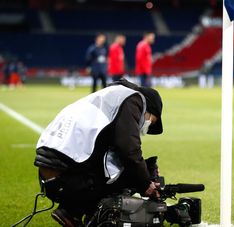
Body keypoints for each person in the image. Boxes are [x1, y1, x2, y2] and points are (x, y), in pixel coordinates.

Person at [34, 78, 163, 226]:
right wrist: (145, 182)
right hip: (68, 178)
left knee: (118, 166)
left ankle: (72, 212)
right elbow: (128, 151)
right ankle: (81, 213)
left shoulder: (110, 96)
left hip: (49, 177)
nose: (146, 127)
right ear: (148, 108)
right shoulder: (134, 100)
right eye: (151, 122)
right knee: (128, 174)